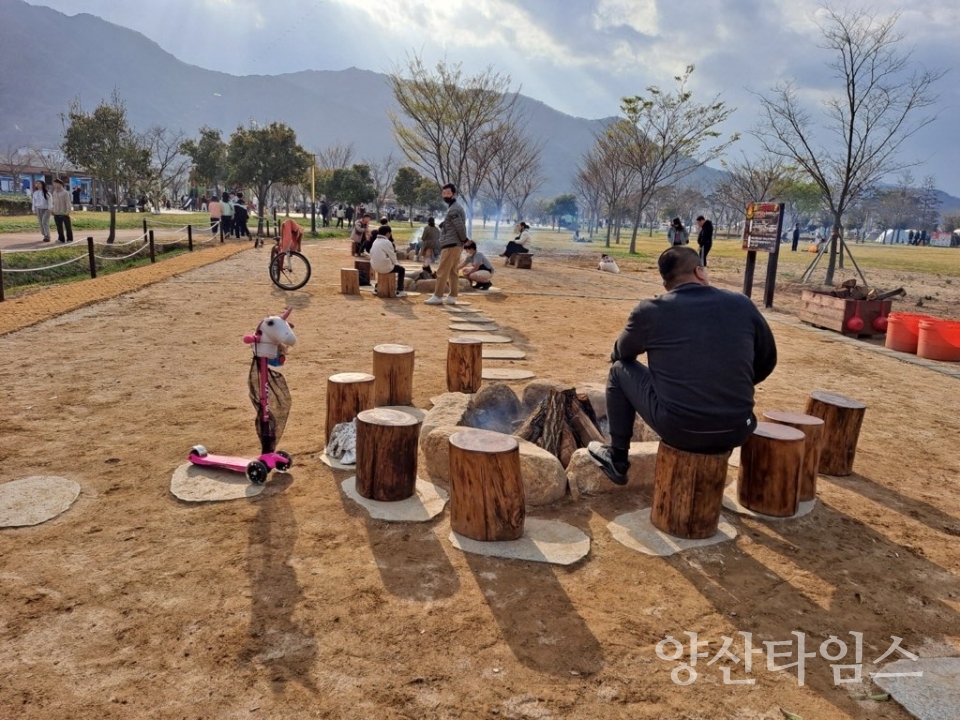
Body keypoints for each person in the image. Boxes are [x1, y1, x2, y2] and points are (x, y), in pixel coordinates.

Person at [588, 246, 778, 485]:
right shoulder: (741, 304)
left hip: (681, 431)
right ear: (699, 271)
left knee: (618, 371)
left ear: (665, 282)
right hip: (739, 428)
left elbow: (620, 354)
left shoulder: (651, 310)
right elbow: (767, 360)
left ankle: (617, 458)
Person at [425, 183, 468, 306]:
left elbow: (459, 226)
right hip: (456, 244)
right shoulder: (454, 207)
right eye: (444, 193)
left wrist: (465, 239)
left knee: (442, 271)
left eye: (448, 193)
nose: (445, 195)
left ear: (454, 194)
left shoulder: (454, 209)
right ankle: (452, 296)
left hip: (451, 244)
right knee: (453, 271)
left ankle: (438, 296)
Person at [369, 225, 407, 297]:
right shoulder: (387, 242)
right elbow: (393, 256)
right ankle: (400, 290)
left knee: (382, 267)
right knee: (401, 270)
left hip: (374, 266)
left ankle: (377, 288)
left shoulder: (375, 241)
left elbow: (371, 252)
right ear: (387, 233)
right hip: (385, 267)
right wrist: (397, 264)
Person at [50, 178, 73, 244]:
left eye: (55, 183)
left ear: (60, 184)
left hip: (64, 212)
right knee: (59, 226)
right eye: (53, 184)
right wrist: (52, 209)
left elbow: (68, 202)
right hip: (56, 212)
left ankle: (69, 239)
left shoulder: (65, 193)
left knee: (67, 226)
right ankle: (61, 239)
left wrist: (68, 211)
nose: (54, 185)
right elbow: (53, 202)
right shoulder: (54, 192)